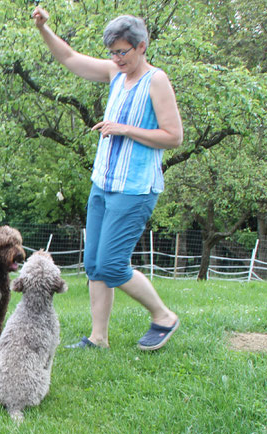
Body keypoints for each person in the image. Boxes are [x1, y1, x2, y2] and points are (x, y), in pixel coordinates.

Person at [32, 6, 182, 350]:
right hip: (103, 184)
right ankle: (98, 338)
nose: (116, 58)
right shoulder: (116, 74)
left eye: (122, 51)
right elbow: (69, 58)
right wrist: (44, 29)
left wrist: (125, 129)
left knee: (113, 266)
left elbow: (174, 136)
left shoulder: (155, 80)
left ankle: (163, 316)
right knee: (94, 264)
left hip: (134, 188)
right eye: (112, 52)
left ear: (142, 46)